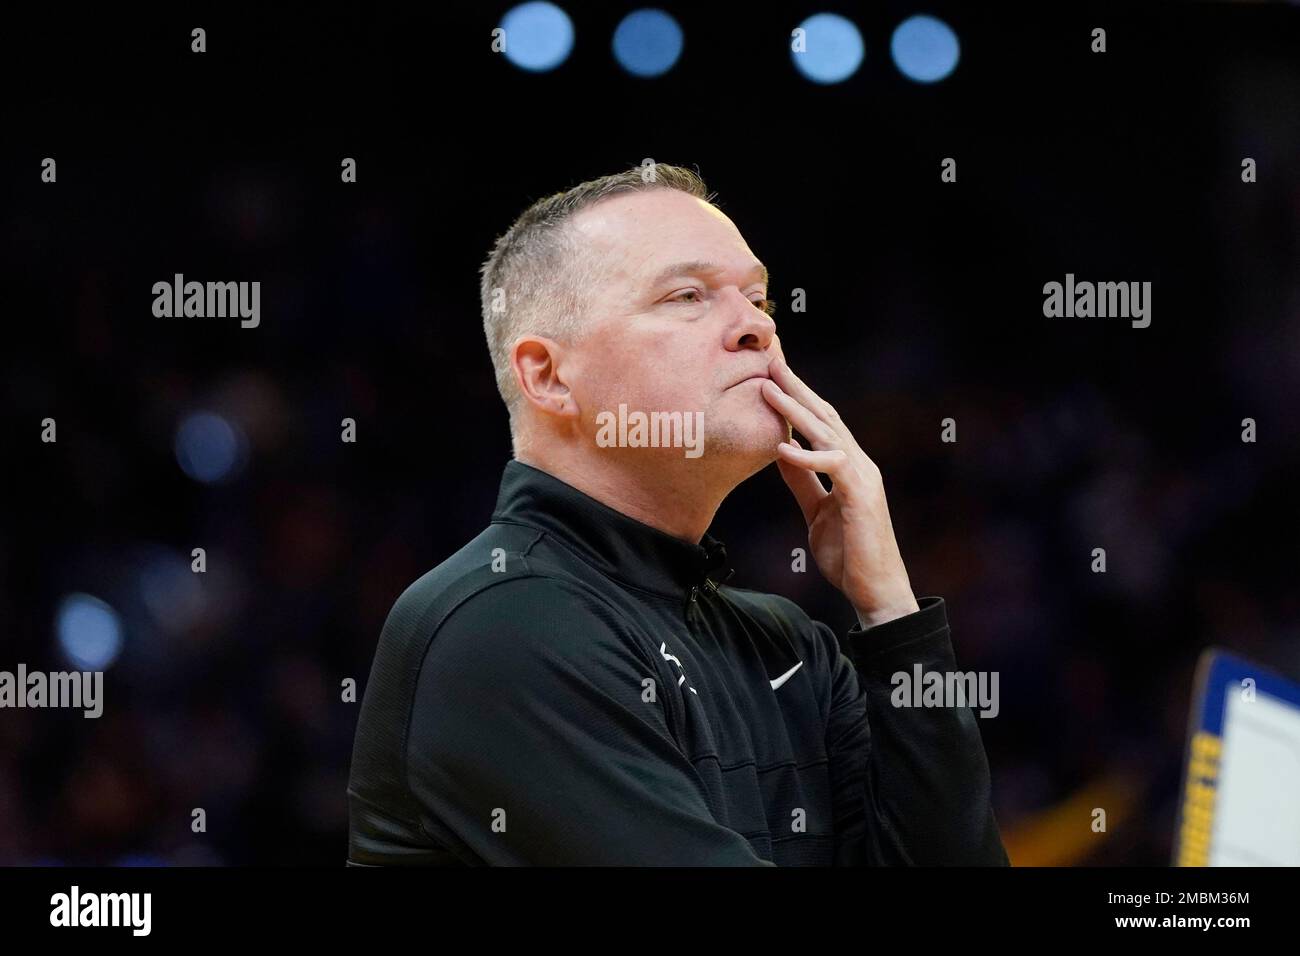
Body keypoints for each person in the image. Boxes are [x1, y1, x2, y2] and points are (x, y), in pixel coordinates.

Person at [347, 164, 1009, 865]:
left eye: (760, 299)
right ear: (548, 375)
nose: (755, 327)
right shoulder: (496, 624)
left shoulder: (791, 647)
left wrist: (890, 613)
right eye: (688, 295)